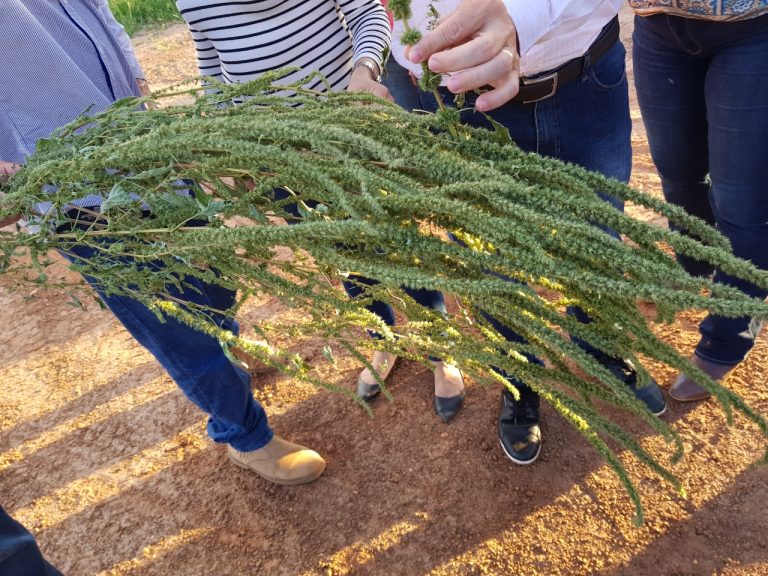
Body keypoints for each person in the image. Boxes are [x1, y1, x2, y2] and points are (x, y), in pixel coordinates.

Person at [0, 0, 325, 486]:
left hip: (146, 144)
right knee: (175, 325)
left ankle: (229, 343)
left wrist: (140, 85)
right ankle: (246, 436)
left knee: (211, 276)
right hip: (76, 192)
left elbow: (100, 14)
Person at [398, 0, 667, 463]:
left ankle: (598, 345)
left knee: (595, 235)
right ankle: (519, 377)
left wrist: (519, 15)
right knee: (488, 260)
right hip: (453, 102)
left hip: (582, 78)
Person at [175, 0, 466, 422]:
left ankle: (441, 346)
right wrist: (222, 136)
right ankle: (383, 338)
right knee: (341, 256)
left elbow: (370, 13)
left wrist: (363, 72)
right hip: (276, 160)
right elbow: (211, 61)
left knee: (398, 242)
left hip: (346, 133)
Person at [629, 1, 768, 401]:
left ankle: (728, 337)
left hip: (753, 27)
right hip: (656, 25)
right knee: (678, 173)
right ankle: (696, 263)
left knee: (743, 203)